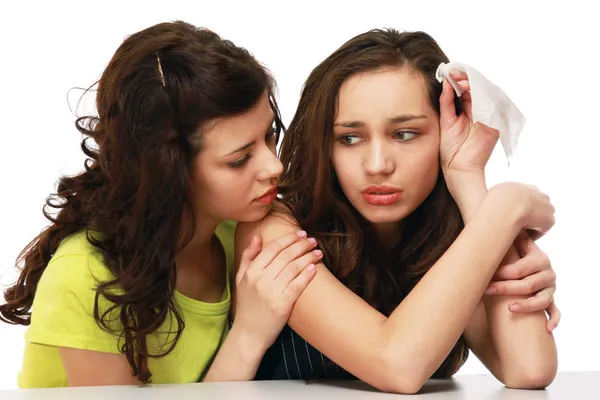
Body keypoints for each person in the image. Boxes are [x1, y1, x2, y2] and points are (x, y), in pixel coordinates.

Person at [235, 28, 560, 394]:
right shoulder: (275, 227)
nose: (377, 165)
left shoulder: (458, 231)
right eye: (350, 138)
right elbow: (397, 366)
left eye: (404, 134)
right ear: (324, 145)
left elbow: (529, 368)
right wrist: (505, 207)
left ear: (444, 131)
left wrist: (469, 179)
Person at [0, 20, 321, 388]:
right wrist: (249, 334)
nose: (274, 166)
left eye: (270, 136)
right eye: (239, 159)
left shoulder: (241, 235)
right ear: (167, 170)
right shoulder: (86, 276)